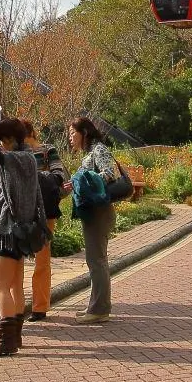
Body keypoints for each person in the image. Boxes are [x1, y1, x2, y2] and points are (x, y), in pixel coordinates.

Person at [0, 118, 46, 356]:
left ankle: (6, 339)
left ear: (9, 140)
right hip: (21, 229)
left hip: (8, 230)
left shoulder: (17, 158)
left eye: (1, 140)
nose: (0, 145)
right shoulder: (28, 158)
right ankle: (13, 335)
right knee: (15, 286)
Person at [67, 117, 117, 324]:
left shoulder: (99, 149)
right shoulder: (90, 152)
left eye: (72, 133)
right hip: (92, 211)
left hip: (99, 211)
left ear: (84, 133)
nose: (70, 138)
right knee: (95, 260)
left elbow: (108, 174)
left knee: (97, 260)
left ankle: (99, 309)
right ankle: (95, 306)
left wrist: (84, 180)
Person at [22, 120, 67, 322]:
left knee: (42, 260)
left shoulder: (48, 150)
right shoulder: (14, 154)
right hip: (21, 212)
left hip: (45, 212)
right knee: (14, 260)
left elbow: (60, 175)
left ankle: (40, 306)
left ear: (30, 132)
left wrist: (36, 178)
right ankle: (14, 303)